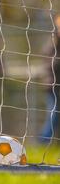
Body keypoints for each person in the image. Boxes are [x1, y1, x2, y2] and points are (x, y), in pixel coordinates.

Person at [39, 14, 60, 142]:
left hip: (56, 84)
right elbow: (53, 64)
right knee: (53, 115)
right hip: (52, 85)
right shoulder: (53, 43)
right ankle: (42, 142)